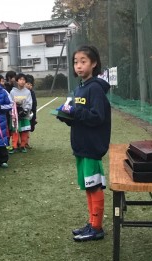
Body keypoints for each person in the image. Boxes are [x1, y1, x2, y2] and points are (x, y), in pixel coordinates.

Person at [56, 45, 111, 242]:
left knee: (94, 186)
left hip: (92, 146)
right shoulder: (80, 87)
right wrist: (65, 116)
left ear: (94, 63)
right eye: (75, 62)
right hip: (80, 145)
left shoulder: (95, 88)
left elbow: (97, 117)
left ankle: (97, 228)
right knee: (89, 186)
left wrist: (75, 113)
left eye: (83, 61)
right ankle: (92, 223)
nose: (78, 66)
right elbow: (79, 115)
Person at [9, 73, 32, 153]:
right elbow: (10, 102)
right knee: (15, 130)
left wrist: (25, 110)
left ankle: (23, 145)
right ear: (17, 81)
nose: (22, 81)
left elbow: (29, 102)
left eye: (23, 80)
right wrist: (14, 110)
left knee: (24, 130)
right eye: (20, 79)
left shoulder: (27, 92)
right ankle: (14, 146)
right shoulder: (12, 92)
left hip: (24, 114)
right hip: (15, 114)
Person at [25, 75, 37, 148]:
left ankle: (26, 143)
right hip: (23, 113)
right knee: (23, 128)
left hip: (31, 113)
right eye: (28, 84)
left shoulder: (32, 93)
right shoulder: (21, 92)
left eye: (31, 85)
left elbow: (34, 104)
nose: (29, 86)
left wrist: (34, 115)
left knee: (28, 128)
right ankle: (20, 143)